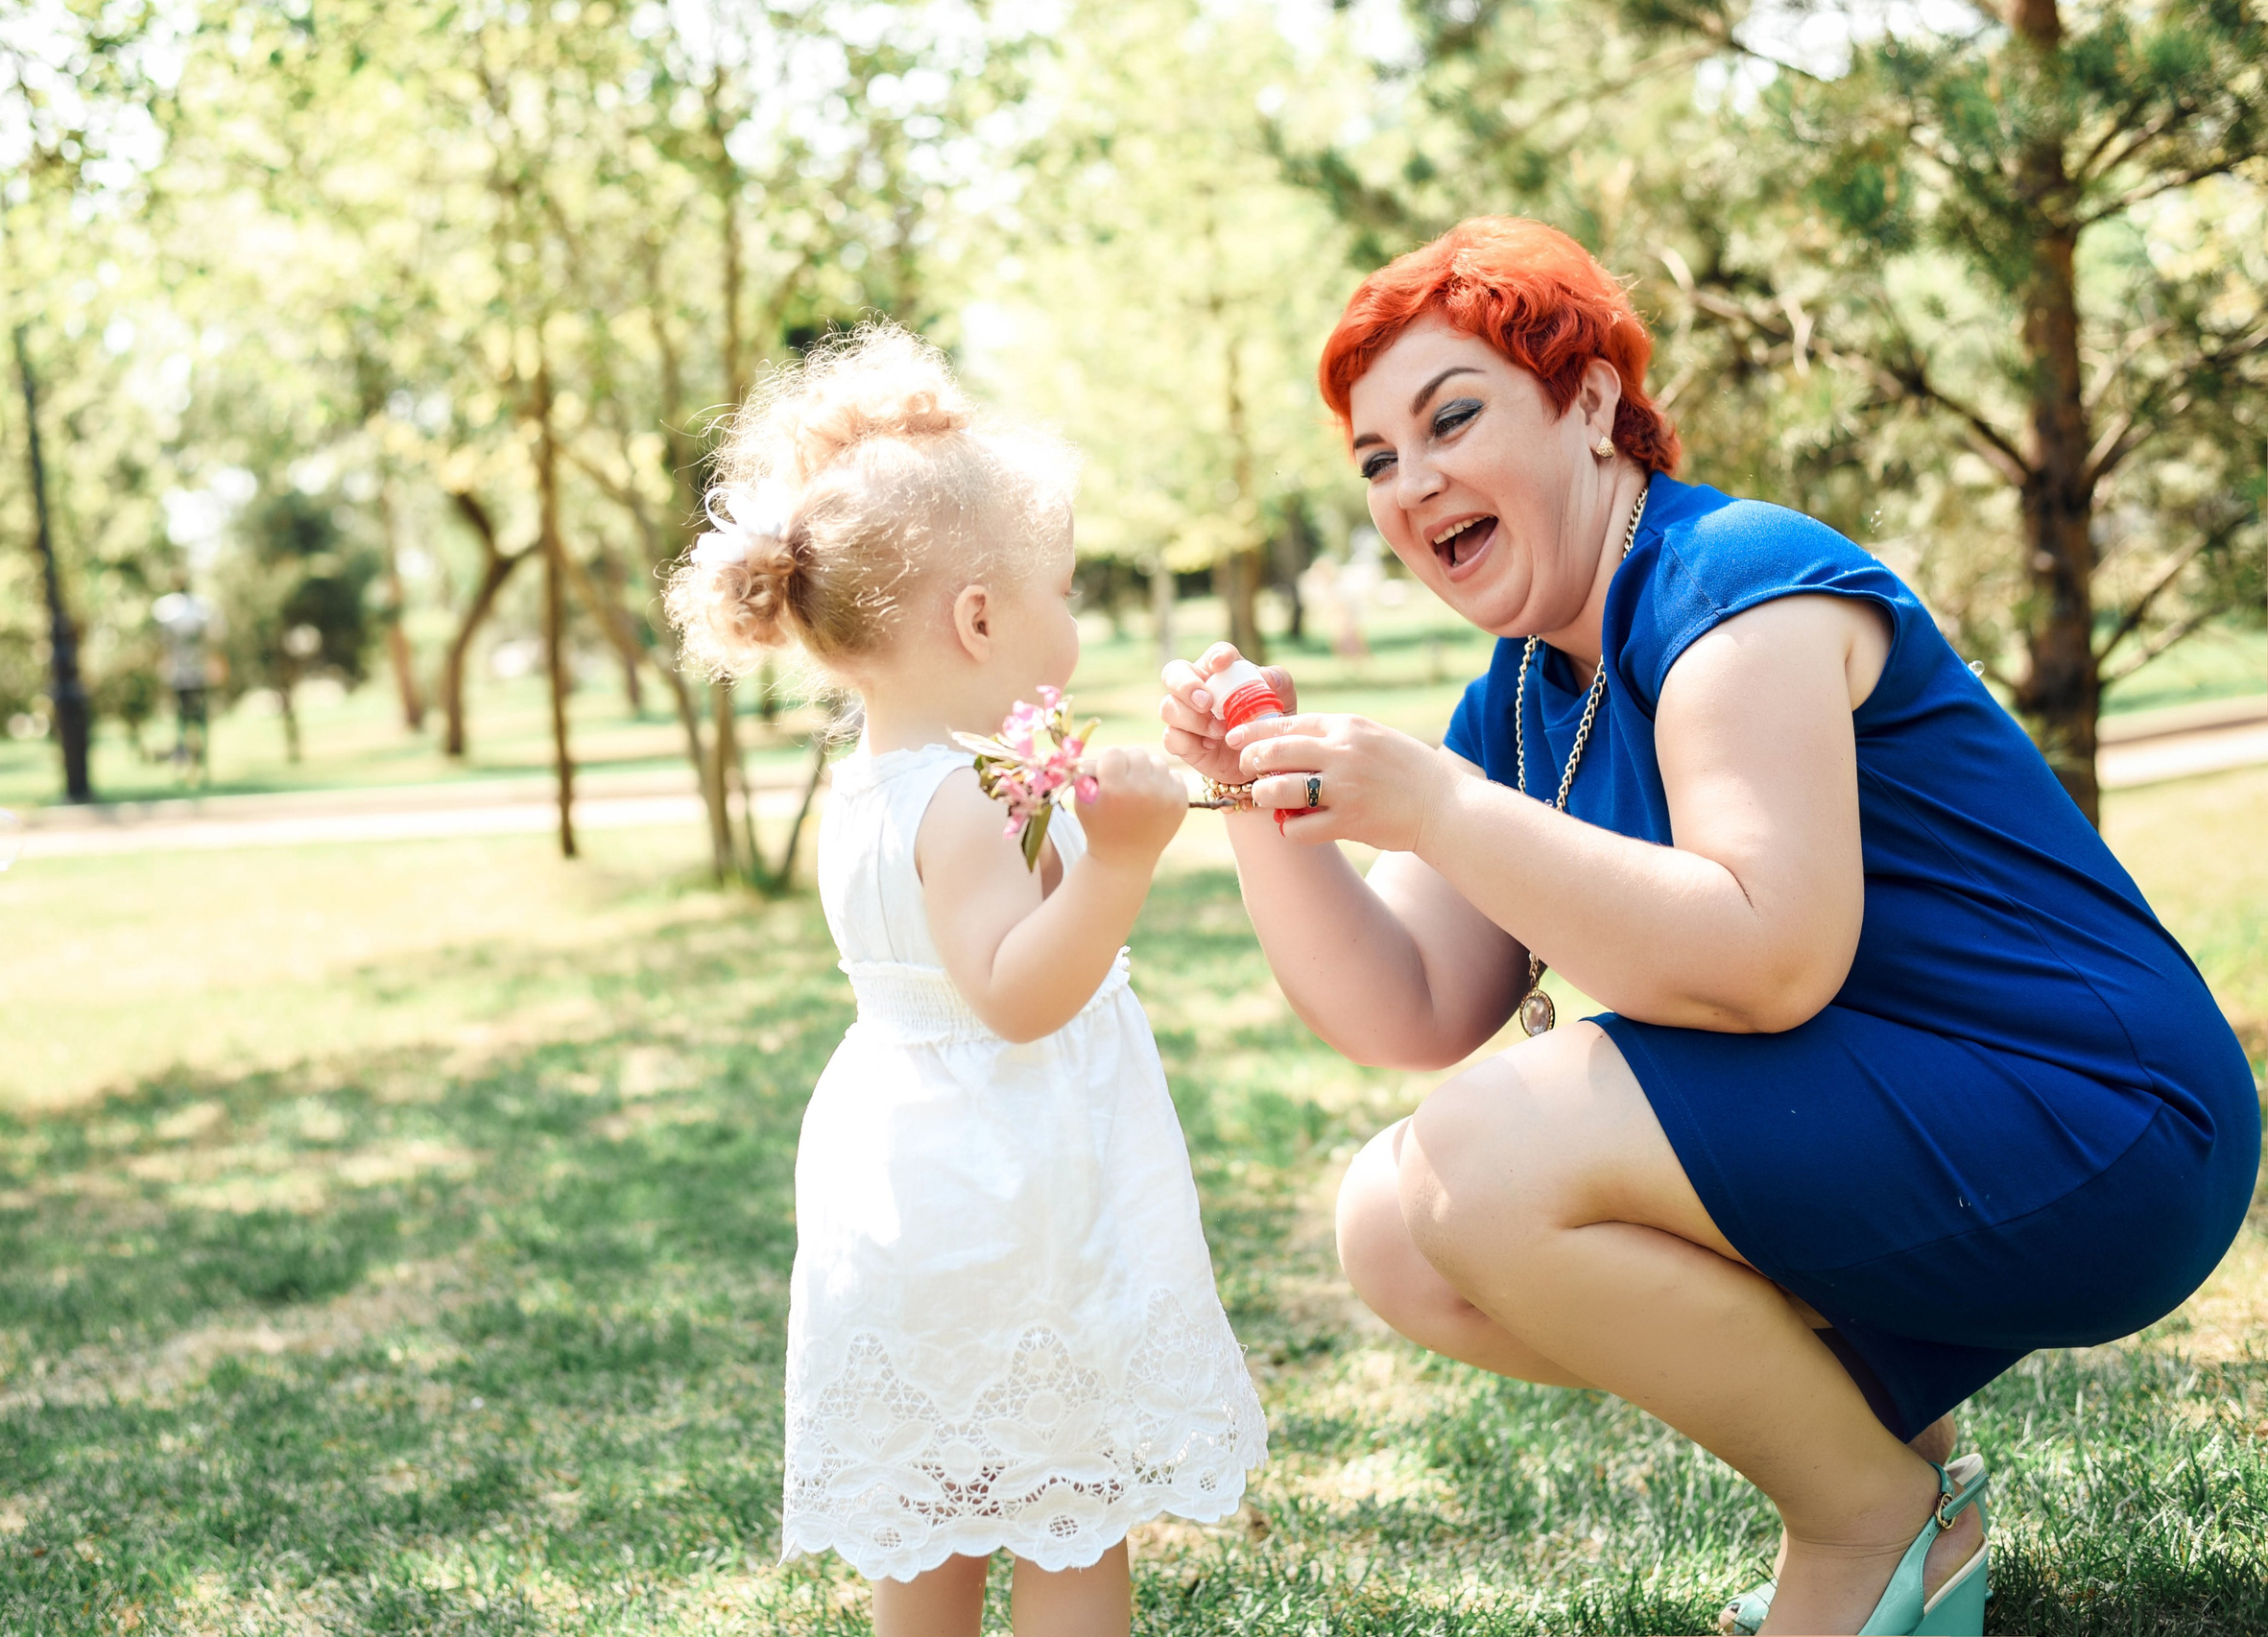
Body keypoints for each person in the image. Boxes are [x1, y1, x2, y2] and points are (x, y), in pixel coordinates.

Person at [1158, 218, 2256, 1636]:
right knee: (1397, 1225)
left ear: (1593, 403)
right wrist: (1256, 798)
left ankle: (1862, 1527)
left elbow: (1768, 955)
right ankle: (1916, 1495)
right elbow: (1410, 1004)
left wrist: (1437, 808)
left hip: (2106, 1117)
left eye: (1452, 418)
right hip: (1917, 1111)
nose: (1412, 481)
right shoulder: (1517, 694)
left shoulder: (1732, 584)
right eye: (1376, 459)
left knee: (1482, 1155)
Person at [667, 325, 1266, 1637]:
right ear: (981, 618)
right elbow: (1015, 991)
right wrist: (1117, 862)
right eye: (1062, 588)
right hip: (1012, 1192)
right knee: (1067, 1498)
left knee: (931, 1506)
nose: (1074, 617)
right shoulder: (956, 802)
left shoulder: (882, 784)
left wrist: (1056, 808)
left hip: (908, 1179)